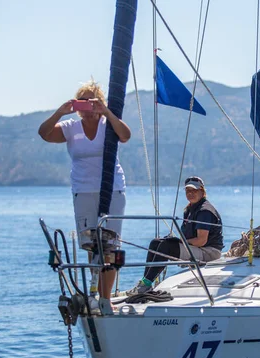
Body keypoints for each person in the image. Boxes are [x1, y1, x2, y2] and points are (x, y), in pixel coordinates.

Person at [38, 80, 131, 314]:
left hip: (112, 189)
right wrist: (60, 112)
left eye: (92, 101)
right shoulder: (70, 127)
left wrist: (107, 112)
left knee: (109, 244)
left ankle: (106, 298)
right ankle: (96, 293)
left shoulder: (108, 124)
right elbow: (44, 134)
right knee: (91, 245)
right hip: (83, 191)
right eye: (84, 101)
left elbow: (125, 135)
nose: (88, 107)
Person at [128, 176, 224, 294]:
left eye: (194, 191)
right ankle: (145, 283)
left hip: (208, 251)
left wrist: (180, 242)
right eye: (188, 191)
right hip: (197, 248)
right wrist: (178, 241)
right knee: (155, 243)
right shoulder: (190, 209)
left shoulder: (204, 211)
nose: (190, 193)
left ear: (202, 191)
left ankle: (146, 284)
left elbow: (201, 241)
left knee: (166, 247)